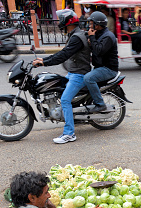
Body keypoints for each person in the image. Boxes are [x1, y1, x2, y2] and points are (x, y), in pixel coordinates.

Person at [32, 10, 91, 144]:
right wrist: (43, 59)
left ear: (67, 21)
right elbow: (62, 53)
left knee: (65, 100)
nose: (59, 22)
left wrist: (44, 62)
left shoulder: (76, 37)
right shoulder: (74, 34)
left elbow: (63, 55)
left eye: (61, 20)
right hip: (73, 72)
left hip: (79, 74)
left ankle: (69, 134)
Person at [84, 11, 118, 113]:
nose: (90, 25)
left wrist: (92, 38)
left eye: (91, 23)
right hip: (99, 67)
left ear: (97, 25)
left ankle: (100, 104)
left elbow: (99, 51)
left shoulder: (108, 36)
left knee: (88, 78)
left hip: (108, 69)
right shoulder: (99, 34)